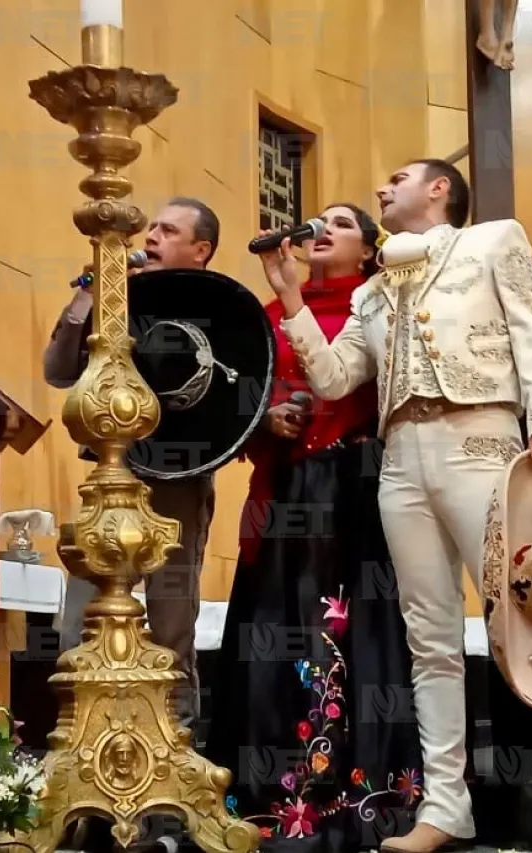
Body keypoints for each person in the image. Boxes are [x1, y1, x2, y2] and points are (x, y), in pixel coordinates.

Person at [265, 160, 532, 853]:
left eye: (398, 178)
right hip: (401, 457)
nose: (381, 187)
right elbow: (332, 377)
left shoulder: (492, 242)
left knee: (527, 617)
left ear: (440, 189)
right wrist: (291, 298)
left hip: (478, 435)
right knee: (430, 638)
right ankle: (448, 807)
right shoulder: (375, 289)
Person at [205, 203, 423, 852]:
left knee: (347, 634)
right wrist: (267, 417)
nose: (322, 230)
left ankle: (350, 798)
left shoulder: (380, 305)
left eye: (343, 224)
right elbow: (244, 393)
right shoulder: (271, 314)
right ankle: (269, 801)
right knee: (275, 632)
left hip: (354, 487)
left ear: (368, 250)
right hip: (285, 488)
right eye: (317, 221)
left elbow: (369, 388)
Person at [43, 196, 220, 733]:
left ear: (201, 249)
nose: (151, 238)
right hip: (110, 480)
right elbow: (57, 371)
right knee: (82, 621)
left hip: (177, 478)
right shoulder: (115, 297)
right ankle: (84, 743)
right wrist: (88, 298)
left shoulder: (217, 308)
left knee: (169, 620)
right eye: (152, 229)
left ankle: (175, 742)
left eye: (168, 231)